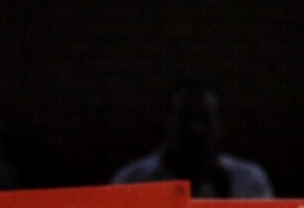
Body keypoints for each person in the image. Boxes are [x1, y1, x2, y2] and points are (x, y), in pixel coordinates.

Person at [113, 80, 273, 199]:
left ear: (220, 125)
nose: (195, 129)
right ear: (166, 122)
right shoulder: (131, 182)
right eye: (185, 118)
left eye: (204, 118)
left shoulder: (249, 181)